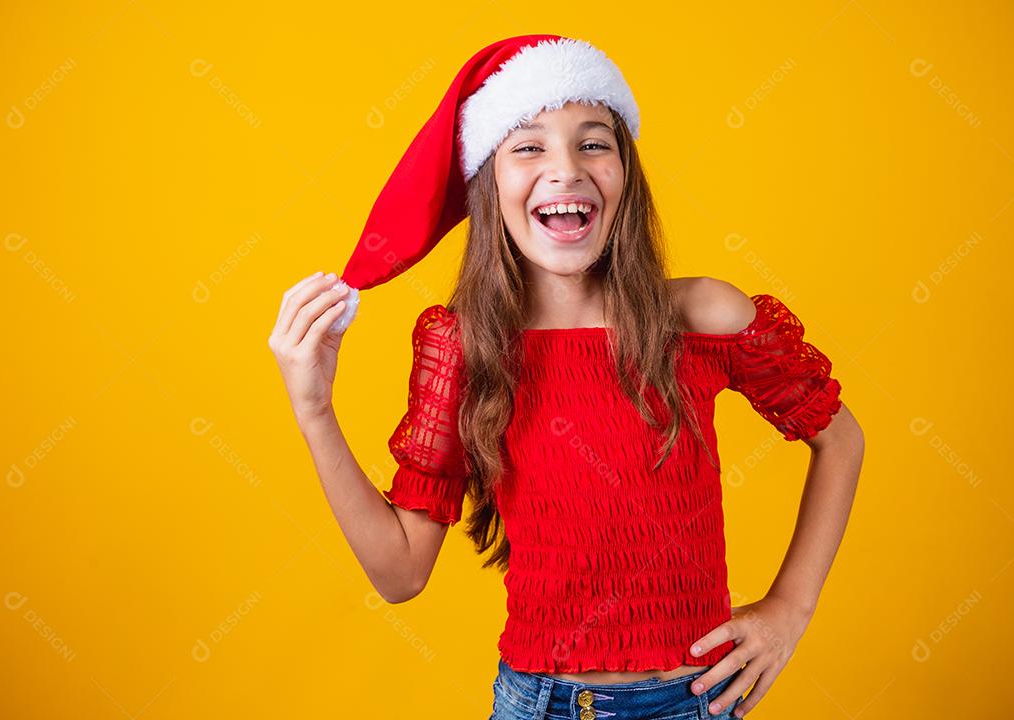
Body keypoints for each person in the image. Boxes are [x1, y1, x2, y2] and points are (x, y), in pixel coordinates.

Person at [268, 34, 865, 720]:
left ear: (625, 176)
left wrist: (790, 607)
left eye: (594, 142)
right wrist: (314, 408)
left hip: (695, 702)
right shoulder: (461, 345)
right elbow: (400, 574)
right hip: (542, 704)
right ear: (488, 183)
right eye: (528, 146)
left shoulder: (701, 315)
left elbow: (840, 439)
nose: (566, 170)